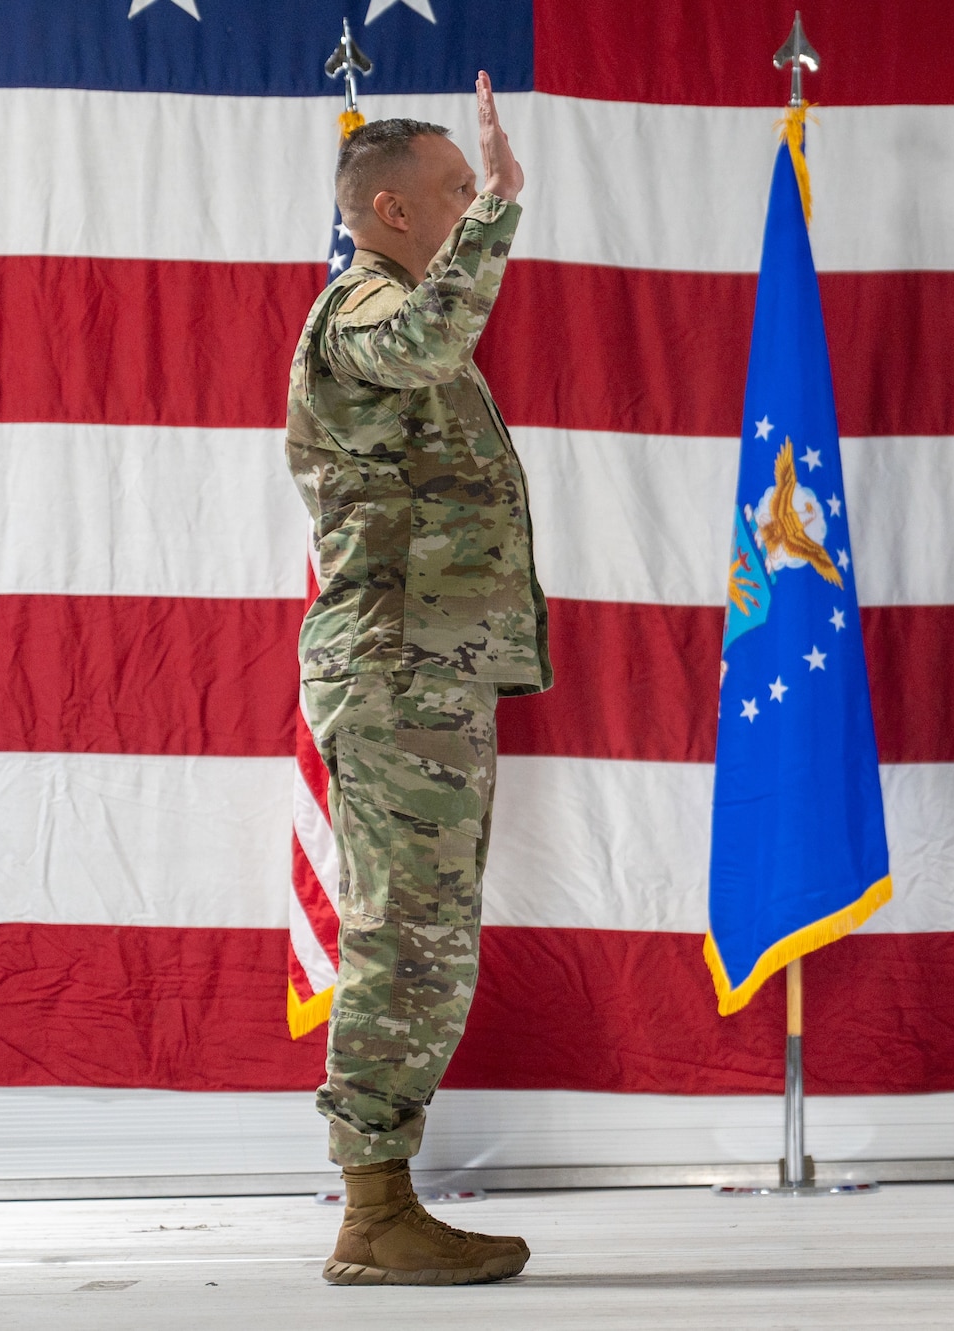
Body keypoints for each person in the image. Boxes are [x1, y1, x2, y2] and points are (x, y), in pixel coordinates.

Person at [283, 72, 549, 1287]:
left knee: (427, 935)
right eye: (453, 190)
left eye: (475, 189)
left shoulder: (389, 295)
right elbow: (434, 334)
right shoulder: (363, 307)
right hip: (396, 671)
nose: (475, 200)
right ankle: (374, 1210)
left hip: (424, 670)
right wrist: (500, 210)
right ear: (390, 210)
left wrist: (483, 209)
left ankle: (383, 1201)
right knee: (406, 936)